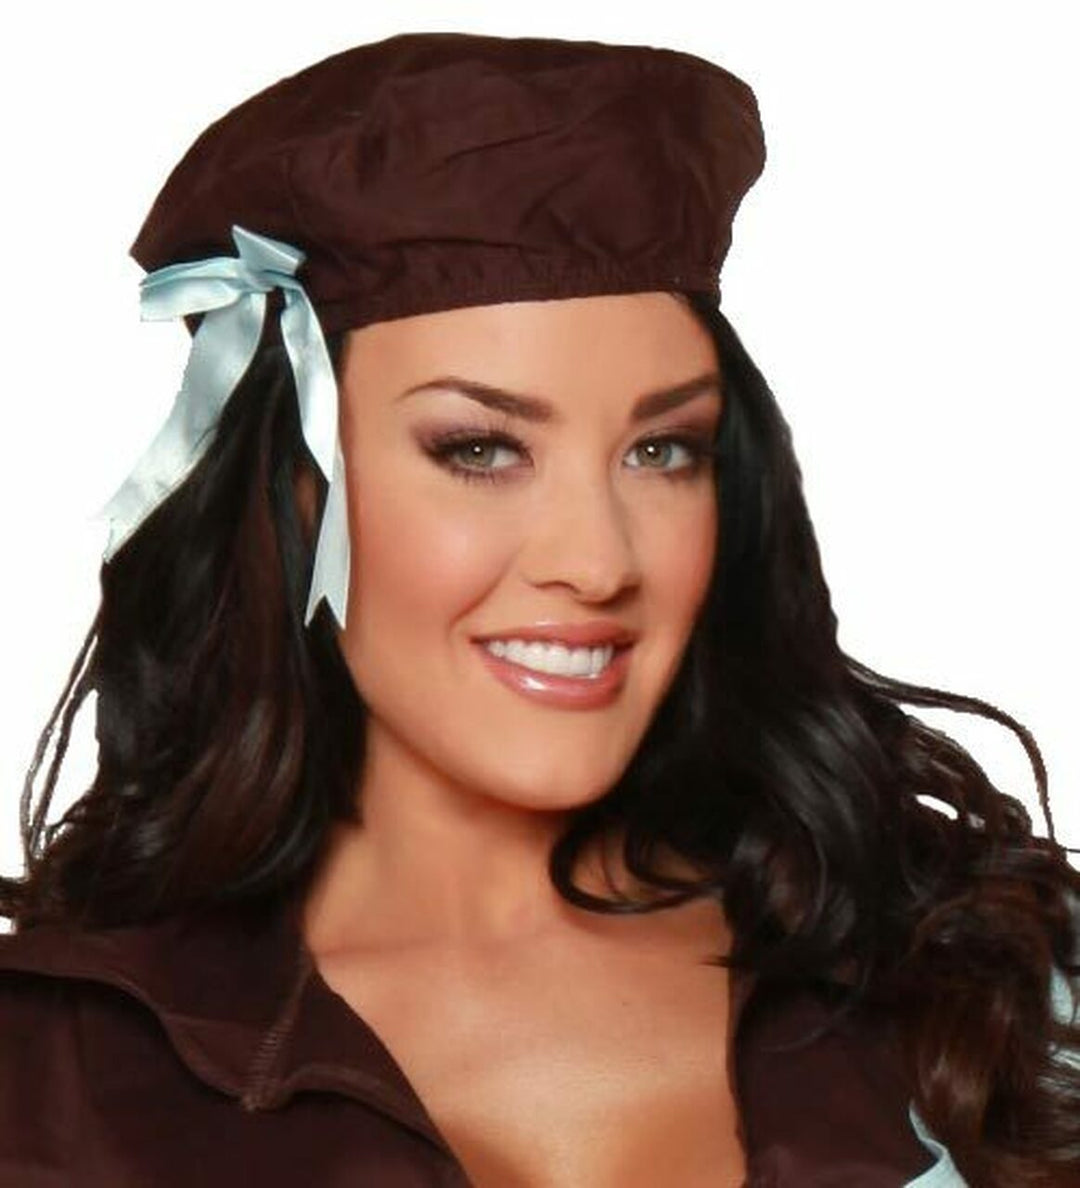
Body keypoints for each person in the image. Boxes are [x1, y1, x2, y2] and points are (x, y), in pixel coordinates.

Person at [0, 30, 1077, 1188]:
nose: (598, 561)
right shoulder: (45, 1070)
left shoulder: (989, 983)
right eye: (480, 448)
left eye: (663, 449)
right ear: (297, 492)